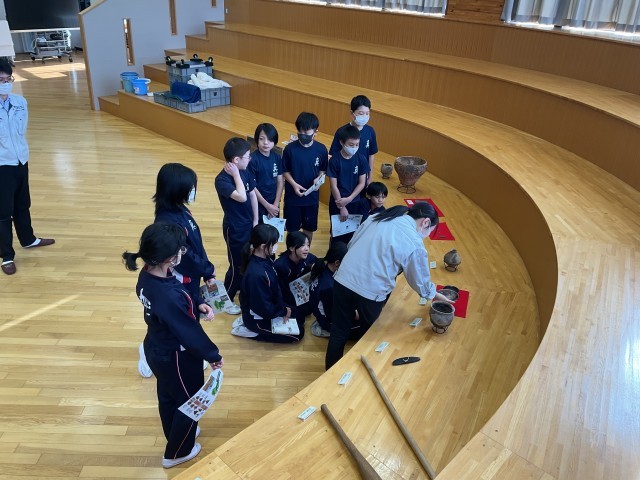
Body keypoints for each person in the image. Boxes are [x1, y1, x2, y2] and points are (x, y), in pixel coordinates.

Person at [122, 223, 224, 469]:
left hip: (157, 347)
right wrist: (213, 355)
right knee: (191, 401)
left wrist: (196, 303)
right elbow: (189, 333)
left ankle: (178, 434)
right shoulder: (169, 296)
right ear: (169, 257)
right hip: (177, 358)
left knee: (169, 397)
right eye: (180, 249)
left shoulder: (148, 274)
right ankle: (178, 452)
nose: (182, 253)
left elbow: (174, 306)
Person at [325, 203, 454, 369]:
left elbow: (352, 245)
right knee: (367, 336)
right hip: (369, 292)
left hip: (343, 279)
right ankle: (358, 374)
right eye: (430, 231)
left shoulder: (378, 217)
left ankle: (330, 373)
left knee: (338, 332)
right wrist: (434, 294)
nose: (426, 235)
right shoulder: (414, 241)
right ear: (426, 222)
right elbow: (419, 280)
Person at [136, 163, 217, 378]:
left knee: (186, 315)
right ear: (176, 189)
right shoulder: (167, 220)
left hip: (192, 276)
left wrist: (207, 271)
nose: (193, 191)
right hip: (180, 278)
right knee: (174, 319)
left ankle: (191, 350)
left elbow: (196, 245)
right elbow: (186, 258)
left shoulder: (180, 209)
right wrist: (206, 268)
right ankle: (147, 351)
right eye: (190, 187)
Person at [0, 60, 54, 275]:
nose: (5, 83)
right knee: (3, 212)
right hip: (2, 165)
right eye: (0, 80)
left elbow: (20, 131)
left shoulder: (20, 101)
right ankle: (6, 256)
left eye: (8, 79)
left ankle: (28, 239)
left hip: (21, 160)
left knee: (22, 204)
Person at [232, 224, 304, 343]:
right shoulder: (256, 275)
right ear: (263, 246)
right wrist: (284, 311)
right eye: (274, 243)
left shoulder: (265, 257)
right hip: (258, 318)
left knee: (300, 316)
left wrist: (284, 308)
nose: (277, 245)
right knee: (299, 333)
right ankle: (251, 332)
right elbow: (264, 308)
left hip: (272, 305)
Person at [215, 137, 258, 315]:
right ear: (236, 160)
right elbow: (242, 196)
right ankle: (226, 299)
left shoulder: (244, 170)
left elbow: (252, 194)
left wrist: (256, 221)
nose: (250, 159)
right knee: (236, 265)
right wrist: (235, 175)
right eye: (247, 156)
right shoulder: (222, 180)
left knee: (246, 260)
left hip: (249, 223)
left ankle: (238, 287)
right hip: (234, 228)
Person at [282, 112, 328, 243]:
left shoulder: (321, 149)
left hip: (311, 199)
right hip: (292, 198)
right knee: (292, 230)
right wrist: (294, 184)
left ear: (315, 132)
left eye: (306, 132)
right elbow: (285, 170)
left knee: (309, 229)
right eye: (300, 132)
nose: (303, 135)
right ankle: (292, 252)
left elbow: (323, 169)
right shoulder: (289, 149)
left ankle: (305, 251)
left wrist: (319, 179)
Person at [308, 241, 363, 339]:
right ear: (337, 263)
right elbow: (333, 315)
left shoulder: (322, 265)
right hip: (329, 321)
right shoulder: (329, 287)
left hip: (324, 307)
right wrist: (355, 313)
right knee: (367, 324)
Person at [327, 125, 370, 243]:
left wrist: (349, 199)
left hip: (354, 202)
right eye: (351, 145)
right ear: (342, 142)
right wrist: (342, 206)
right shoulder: (334, 160)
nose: (354, 148)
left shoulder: (361, 159)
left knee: (351, 235)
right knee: (336, 235)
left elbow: (362, 183)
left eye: (357, 145)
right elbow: (333, 186)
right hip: (337, 202)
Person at [329, 95, 378, 185]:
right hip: (344, 175)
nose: (365, 116)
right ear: (352, 113)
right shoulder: (341, 131)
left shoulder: (370, 131)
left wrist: (370, 177)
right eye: (361, 113)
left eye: (367, 113)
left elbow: (371, 155)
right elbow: (334, 155)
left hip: (362, 174)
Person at [273, 231, 317, 317]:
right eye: (302, 245)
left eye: (308, 245)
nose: (307, 249)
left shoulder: (309, 258)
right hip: (286, 295)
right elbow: (280, 292)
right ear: (291, 248)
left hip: (300, 291)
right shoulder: (281, 266)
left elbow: (319, 263)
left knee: (309, 308)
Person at [248, 123, 283, 221]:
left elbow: (280, 181)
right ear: (256, 140)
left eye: (270, 139)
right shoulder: (252, 160)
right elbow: (252, 186)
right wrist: (267, 206)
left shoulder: (277, 157)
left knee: (273, 230)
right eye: (262, 139)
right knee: (259, 229)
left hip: (274, 203)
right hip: (258, 203)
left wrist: (275, 204)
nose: (266, 143)